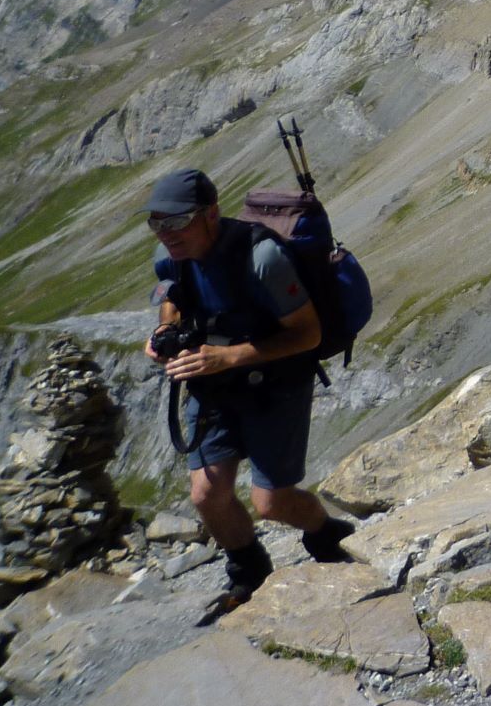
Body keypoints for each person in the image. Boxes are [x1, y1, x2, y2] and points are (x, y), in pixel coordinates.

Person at [143, 169, 354, 618]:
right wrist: (165, 328)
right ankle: (248, 571)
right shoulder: (175, 252)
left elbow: (308, 334)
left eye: (176, 222)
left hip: (274, 384)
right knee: (206, 494)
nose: (166, 234)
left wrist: (229, 357)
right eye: (156, 223)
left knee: (271, 503)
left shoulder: (263, 258)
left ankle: (324, 532)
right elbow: (172, 293)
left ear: (211, 214)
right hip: (212, 383)